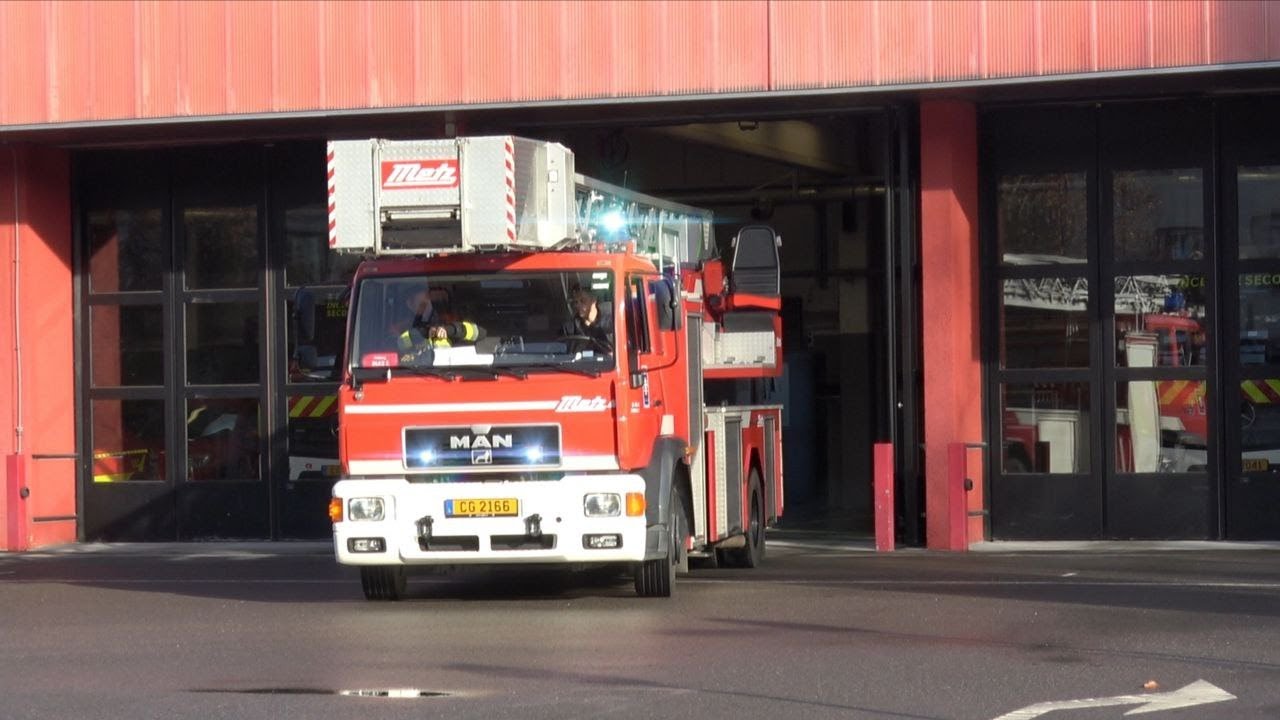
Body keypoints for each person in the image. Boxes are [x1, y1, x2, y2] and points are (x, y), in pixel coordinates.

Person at [392, 285, 485, 361]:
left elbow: (480, 333)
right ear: (410, 305)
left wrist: (450, 330)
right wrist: (425, 333)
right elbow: (395, 344)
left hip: (452, 372)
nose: (430, 305)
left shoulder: (450, 319)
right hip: (416, 373)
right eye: (422, 304)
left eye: (431, 301)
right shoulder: (403, 326)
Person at [561, 284, 612, 351]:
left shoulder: (610, 324)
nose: (578, 305)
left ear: (593, 301)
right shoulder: (570, 328)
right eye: (576, 302)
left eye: (582, 301)